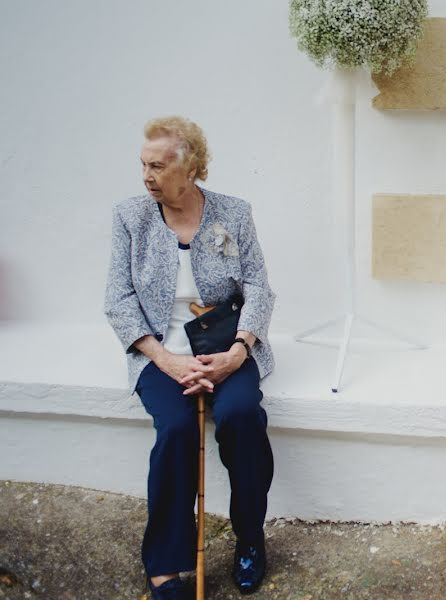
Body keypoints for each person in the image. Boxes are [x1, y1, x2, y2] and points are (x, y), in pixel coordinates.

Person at [104, 116, 276, 598]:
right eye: (143, 165)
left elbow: (259, 286)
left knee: (241, 416)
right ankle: (164, 562)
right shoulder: (129, 217)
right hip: (160, 351)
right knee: (177, 430)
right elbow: (117, 299)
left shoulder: (233, 213)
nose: (146, 175)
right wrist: (166, 360)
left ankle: (249, 538)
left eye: (157, 166)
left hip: (224, 346)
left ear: (191, 167)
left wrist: (239, 351)